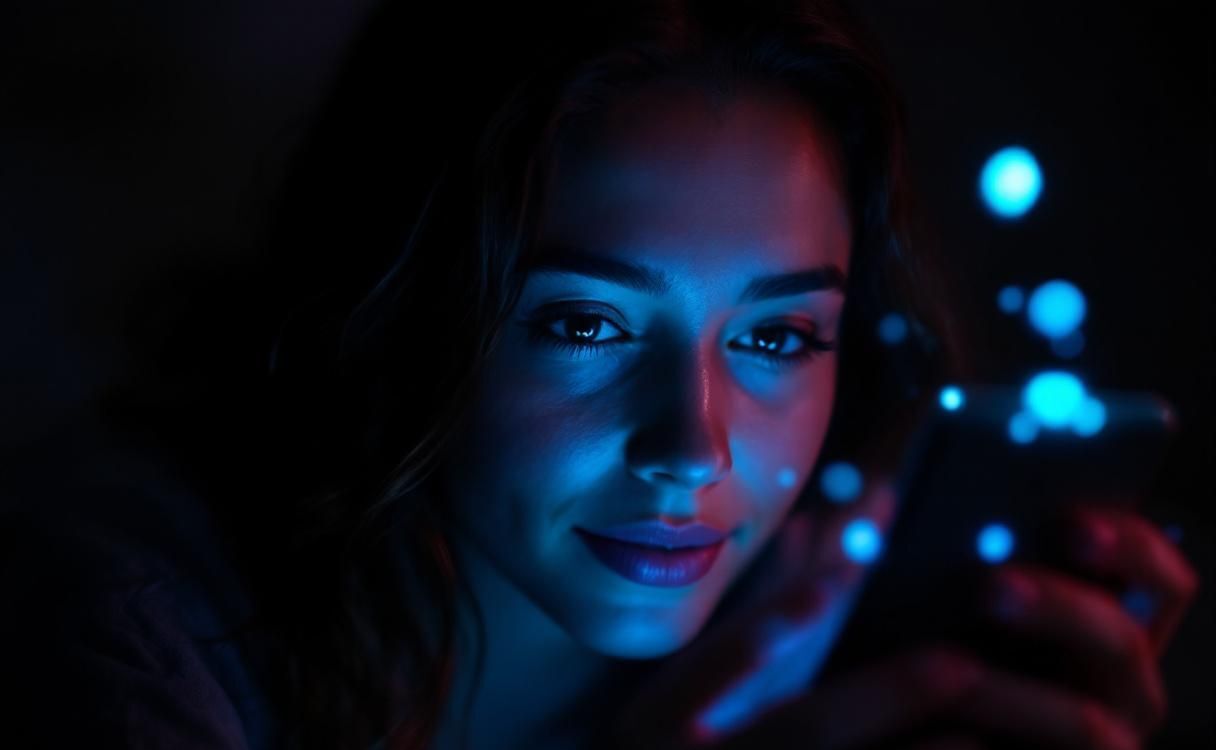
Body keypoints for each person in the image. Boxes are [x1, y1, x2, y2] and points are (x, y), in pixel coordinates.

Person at [0, 1, 1197, 749]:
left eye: (777, 338)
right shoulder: (122, 628)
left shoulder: (827, 646)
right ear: (403, 304)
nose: (694, 446)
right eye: (584, 325)